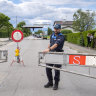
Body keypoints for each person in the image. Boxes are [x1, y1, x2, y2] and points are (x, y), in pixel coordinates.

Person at [43, 24, 65, 90]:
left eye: (57, 29)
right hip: (51, 54)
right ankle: (50, 82)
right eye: (55, 28)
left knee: (56, 69)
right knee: (48, 68)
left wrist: (49, 49)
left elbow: (56, 45)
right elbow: (50, 43)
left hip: (58, 54)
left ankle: (56, 84)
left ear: (60, 29)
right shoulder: (52, 35)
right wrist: (47, 49)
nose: (55, 30)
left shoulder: (61, 36)